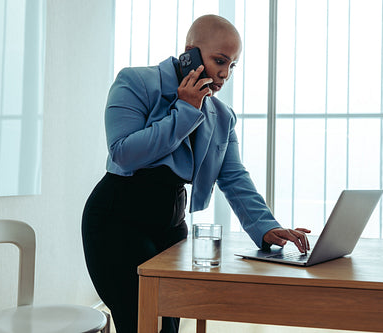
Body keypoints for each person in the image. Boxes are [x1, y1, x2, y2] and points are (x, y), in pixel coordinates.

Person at [82, 14, 310, 333]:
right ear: (189, 52)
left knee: (170, 327)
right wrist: (185, 110)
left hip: (170, 227)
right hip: (116, 220)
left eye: (232, 65)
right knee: (139, 322)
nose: (224, 73)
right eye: (219, 60)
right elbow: (123, 152)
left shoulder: (222, 116)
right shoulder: (135, 82)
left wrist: (266, 227)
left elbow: (234, 178)